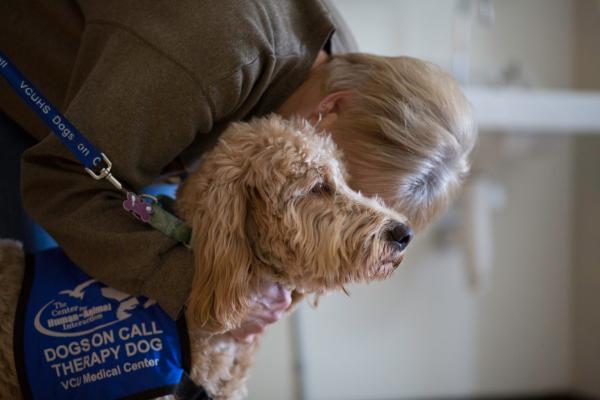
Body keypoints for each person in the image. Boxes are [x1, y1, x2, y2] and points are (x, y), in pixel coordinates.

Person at [0, 0, 475, 342]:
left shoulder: (346, 71)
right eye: (345, 188)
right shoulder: (211, 62)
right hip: (25, 90)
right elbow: (57, 181)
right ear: (331, 109)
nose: (356, 211)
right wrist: (198, 285)